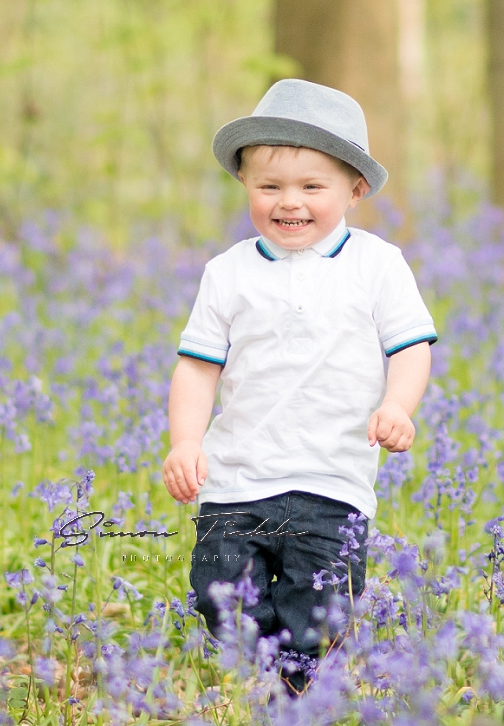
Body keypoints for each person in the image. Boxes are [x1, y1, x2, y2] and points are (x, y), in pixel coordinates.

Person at [162, 78, 437, 691]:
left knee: (319, 614)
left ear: (355, 189)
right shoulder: (228, 272)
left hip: (332, 477)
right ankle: (271, 676)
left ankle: (299, 700)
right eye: (270, 186)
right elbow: (198, 367)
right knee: (219, 599)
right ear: (245, 185)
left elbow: (410, 347)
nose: (290, 202)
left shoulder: (377, 264)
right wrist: (186, 442)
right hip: (236, 480)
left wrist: (398, 405)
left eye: (313, 187)